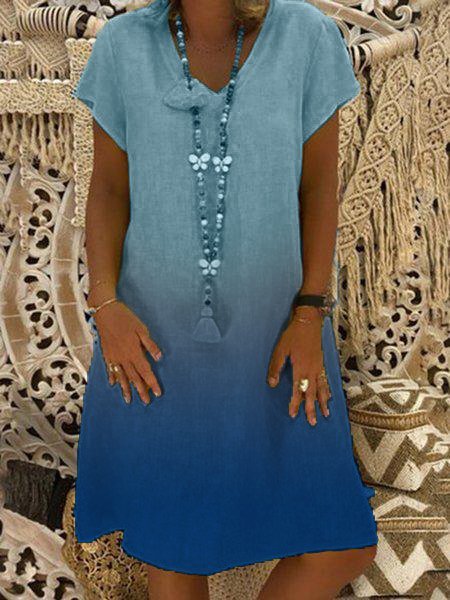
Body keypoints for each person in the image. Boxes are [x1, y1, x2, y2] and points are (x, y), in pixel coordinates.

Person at [71, 0, 378, 597]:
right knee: (174, 547)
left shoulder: (308, 37)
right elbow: (108, 189)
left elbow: (319, 187)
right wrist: (105, 307)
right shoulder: (123, 46)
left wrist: (310, 312)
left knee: (342, 544)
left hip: (281, 344)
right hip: (153, 350)